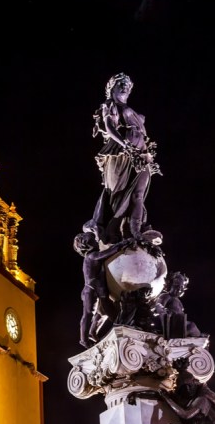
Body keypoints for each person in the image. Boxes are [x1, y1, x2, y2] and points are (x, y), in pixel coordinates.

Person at [85, 73, 161, 245]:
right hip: (119, 152)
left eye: (128, 83)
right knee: (118, 194)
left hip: (141, 153)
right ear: (111, 87)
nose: (125, 85)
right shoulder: (110, 105)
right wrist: (125, 145)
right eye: (120, 83)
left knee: (139, 194)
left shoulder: (135, 113)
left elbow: (145, 137)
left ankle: (136, 230)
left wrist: (148, 155)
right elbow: (111, 127)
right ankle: (113, 232)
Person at [73, 232, 132, 347]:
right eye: (93, 240)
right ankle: (84, 340)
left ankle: (92, 332)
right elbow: (109, 252)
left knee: (104, 312)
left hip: (99, 290)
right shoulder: (92, 255)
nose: (96, 241)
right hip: (91, 290)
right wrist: (122, 244)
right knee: (89, 314)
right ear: (86, 245)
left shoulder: (92, 255)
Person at [153, 271, 201, 338]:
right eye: (176, 285)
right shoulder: (166, 296)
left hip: (180, 323)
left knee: (192, 326)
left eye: (181, 287)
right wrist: (165, 317)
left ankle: (191, 338)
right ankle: (179, 337)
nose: (179, 289)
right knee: (191, 326)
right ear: (170, 285)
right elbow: (158, 308)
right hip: (172, 324)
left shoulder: (179, 301)